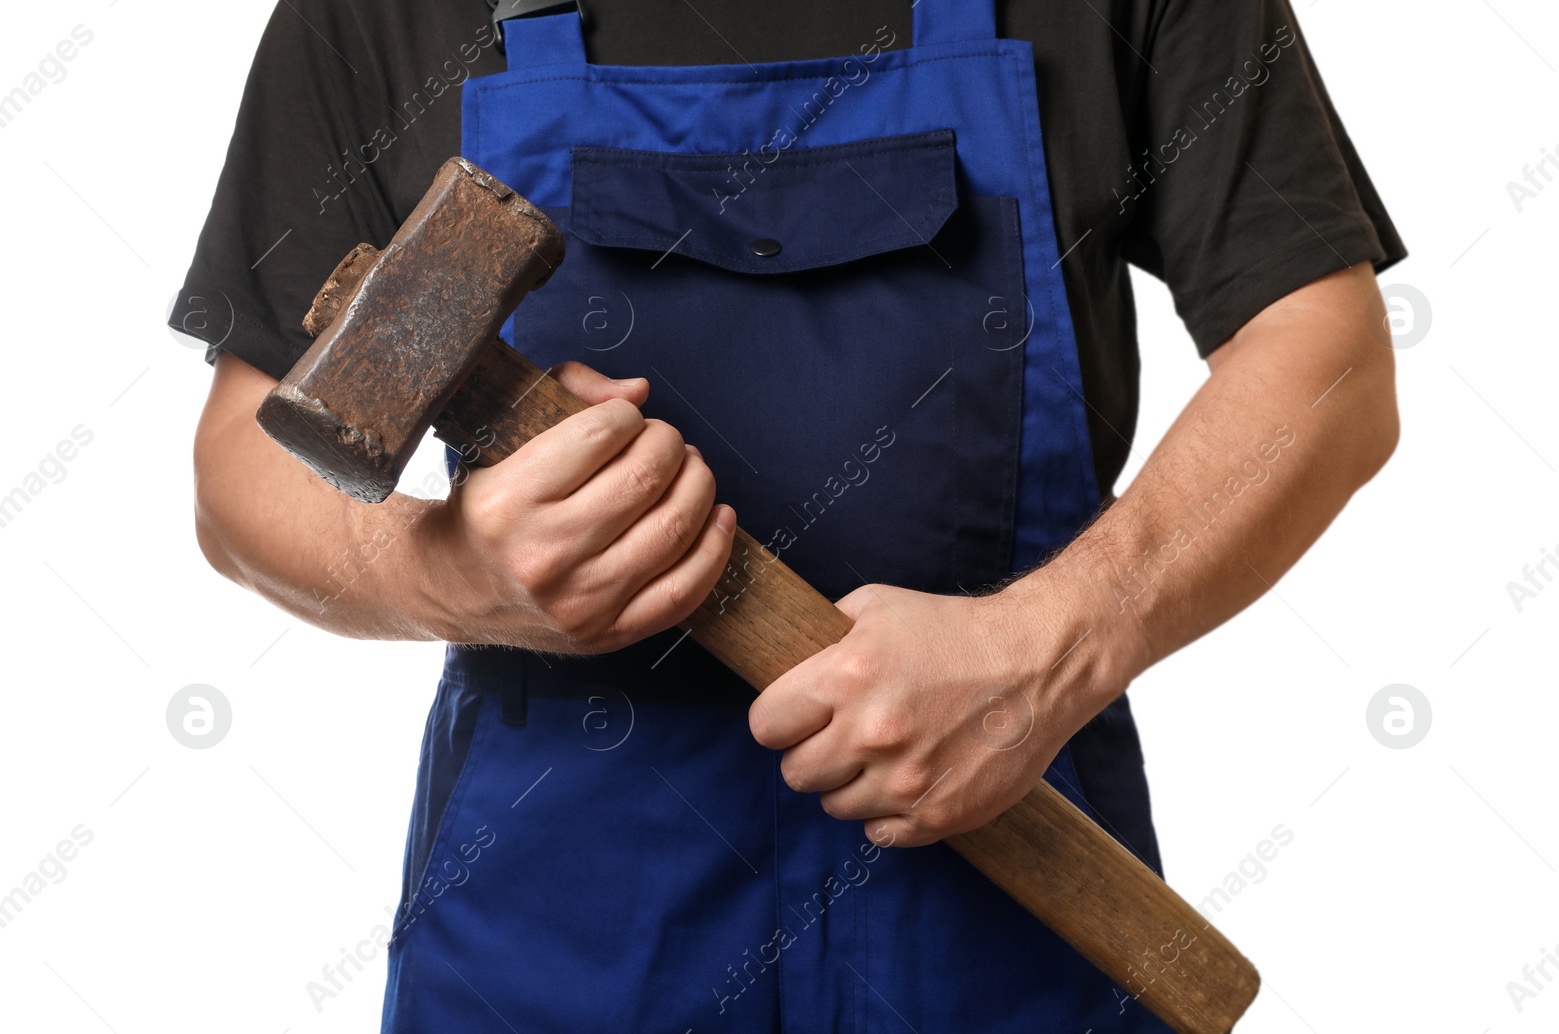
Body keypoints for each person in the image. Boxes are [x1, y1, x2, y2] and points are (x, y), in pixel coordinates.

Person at [173, 0, 1404, 1029]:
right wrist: (455, 575)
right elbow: (242, 471)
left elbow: (1327, 358)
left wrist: (1049, 646)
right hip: (554, 934)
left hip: (1005, 901)